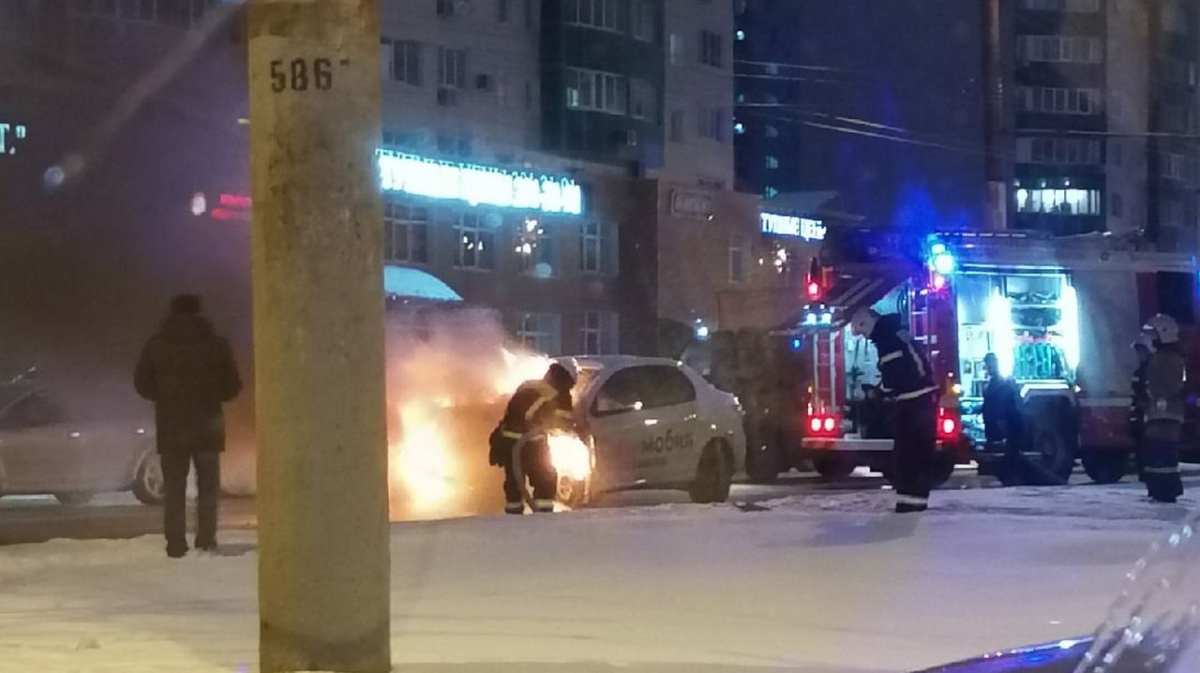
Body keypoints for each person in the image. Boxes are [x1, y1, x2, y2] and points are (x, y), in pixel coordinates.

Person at [134, 294, 242, 557]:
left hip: (171, 428)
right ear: (200, 312)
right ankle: (206, 541)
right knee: (208, 489)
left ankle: (175, 544)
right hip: (208, 427)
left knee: (174, 489)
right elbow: (232, 386)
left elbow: (141, 383)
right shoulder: (216, 345)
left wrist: (163, 396)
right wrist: (212, 395)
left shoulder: (157, 345)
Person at [851, 309, 940, 513]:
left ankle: (908, 505)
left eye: (864, 333)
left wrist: (877, 393)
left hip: (913, 402)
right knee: (918, 455)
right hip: (922, 399)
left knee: (906, 455)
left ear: (868, 324)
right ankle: (913, 502)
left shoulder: (887, 340)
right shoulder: (896, 334)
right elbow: (905, 369)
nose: (866, 337)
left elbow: (895, 378)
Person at [489, 361, 576, 514]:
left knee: (514, 482)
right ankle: (543, 515)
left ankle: (513, 515)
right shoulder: (560, 395)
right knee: (545, 478)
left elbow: (512, 411)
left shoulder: (528, 384)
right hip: (531, 443)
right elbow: (564, 424)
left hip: (507, 440)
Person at [1140, 314, 1187, 503]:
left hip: (1166, 415)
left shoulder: (1168, 359)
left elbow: (1168, 386)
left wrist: (1151, 393)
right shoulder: (1165, 357)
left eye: (1153, 335)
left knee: (1162, 452)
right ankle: (1160, 489)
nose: (1150, 339)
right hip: (1161, 414)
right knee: (1157, 452)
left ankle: (1165, 490)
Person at [981, 352, 1025, 485]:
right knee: (1009, 451)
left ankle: (1010, 476)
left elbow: (1000, 404)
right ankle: (1009, 475)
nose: (988, 368)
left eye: (989, 365)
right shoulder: (998, 382)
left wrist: (1000, 422)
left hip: (1005, 423)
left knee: (1009, 452)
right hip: (1004, 423)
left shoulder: (1000, 383)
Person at [1130, 332, 1155, 482]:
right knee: (1140, 443)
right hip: (1139, 412)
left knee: (1147, 444)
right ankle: (1143, 472)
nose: (1139, 354)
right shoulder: (1139, 371)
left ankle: (1147, 472)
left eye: (1141, 350)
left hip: (1148, 413)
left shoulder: (1151, 370)